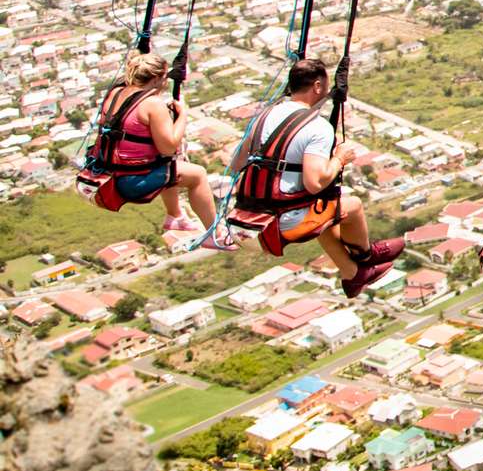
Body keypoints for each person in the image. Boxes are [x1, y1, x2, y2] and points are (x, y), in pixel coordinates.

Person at [229, 58, 402, 297]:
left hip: (245, 219)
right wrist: (339, 159)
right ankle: (366, 256)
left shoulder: (265, 116)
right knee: (352, 206)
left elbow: (236, 163)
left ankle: (352, 273)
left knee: (329, 211)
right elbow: (315, 183)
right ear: (318, 86)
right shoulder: (317, 127)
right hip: (279, 221)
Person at [89, 52, 228, 245]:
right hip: (131, 181)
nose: (166, 82)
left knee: (168, 165)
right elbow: (169, 147)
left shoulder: (116, 93)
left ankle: (175, 215)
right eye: (164, 78)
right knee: (197, 175)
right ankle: (215, 234)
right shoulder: (152, 104)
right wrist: (182, 116)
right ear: (155, 79)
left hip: (107, 171)